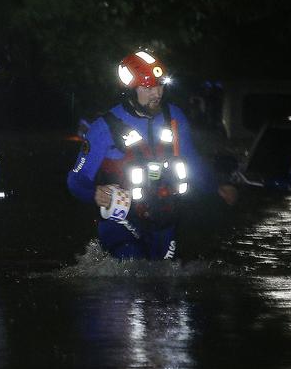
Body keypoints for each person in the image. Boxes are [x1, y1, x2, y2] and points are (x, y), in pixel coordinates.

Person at [66, 50, 236, 260]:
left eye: (160, 85)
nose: (157, 93)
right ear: (130, 90)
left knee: (164, 279)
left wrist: (216, 187)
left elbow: (191, 160)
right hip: (121, 220)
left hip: (165, 217)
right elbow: (76, 179)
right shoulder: (103, 128)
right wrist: (94, 193)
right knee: (132, 269)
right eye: (148, 87)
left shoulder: (174, 116)